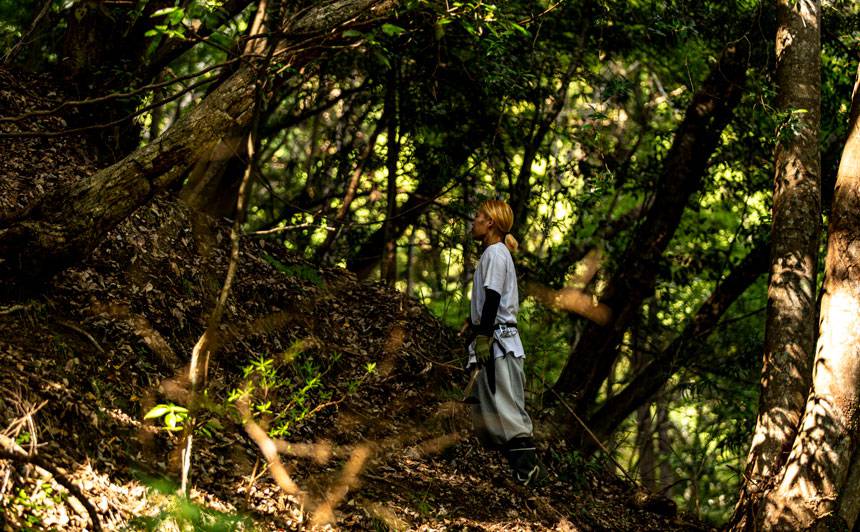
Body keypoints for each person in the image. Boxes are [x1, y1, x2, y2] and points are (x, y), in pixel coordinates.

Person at [461, 199, 543, 487]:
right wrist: (474, 324)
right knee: (490, 412)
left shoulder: (496, 253)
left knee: (508, 409)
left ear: (491, 223)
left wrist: (484, 335)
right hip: (494, 341)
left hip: (500, 343)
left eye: (479, 216)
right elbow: (488, 299)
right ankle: (514, 473)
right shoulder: (493, 254)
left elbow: (494, 297)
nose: (475, 220)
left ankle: (527, 472)